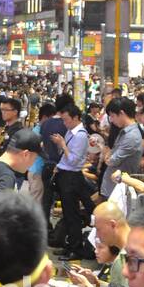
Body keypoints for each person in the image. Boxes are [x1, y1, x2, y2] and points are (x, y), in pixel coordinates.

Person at [52, 103, 91, 258]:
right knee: (68, 214)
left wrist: (62, 144)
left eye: (66, 120)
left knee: (72, 214)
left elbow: (74, 160)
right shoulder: (70, 132)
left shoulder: (80, 135)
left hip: (72, 177)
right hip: (64, 174)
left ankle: (75, 248)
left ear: (76, 118)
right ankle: (69, 246)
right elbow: (65, 155)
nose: (64, 123)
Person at [0, 130, 41, 201]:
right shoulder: (6, 176)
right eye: (35, 158)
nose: (32, 164)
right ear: (26, 154)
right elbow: (0, 210)